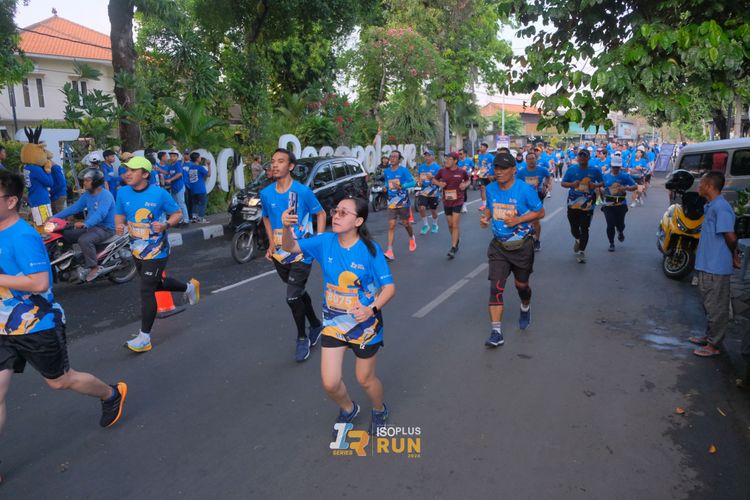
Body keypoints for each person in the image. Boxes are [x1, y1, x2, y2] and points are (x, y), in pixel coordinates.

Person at [0, 170, 127, 482]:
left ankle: (110, 394)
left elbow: (39, 283)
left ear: (11, 201)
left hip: (36, 324)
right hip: (3, 327)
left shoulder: (23, 236)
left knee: (60, 381)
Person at [280, 196, 395, 436]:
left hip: (365, 325)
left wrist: (370, 309)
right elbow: (291, 247)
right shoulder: (325, 241)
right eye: (336, 211)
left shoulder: (370, 251)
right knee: (330, 382)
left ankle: (379, 409)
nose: (337, 216)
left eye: (344, 212)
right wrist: (287, 228)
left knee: (365, 379)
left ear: (358, 221)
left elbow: (389, 288)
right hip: (334, 323)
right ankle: (348, 408)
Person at [115, 156, 200, 353]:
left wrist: (165, 225)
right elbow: (120, 213)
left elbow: (177, 213)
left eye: (133, 170)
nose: (127, 173)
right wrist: (119, 225)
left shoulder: (159, 194)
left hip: (157, 251)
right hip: (136, 249)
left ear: (145, 174)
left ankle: (144, 337)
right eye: (126, 170)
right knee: (155, 284)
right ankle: (189, 288)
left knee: (146, 290)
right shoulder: (122, 192)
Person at [261, 148, 325, 362]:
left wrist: (318, 241)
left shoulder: (302, 192)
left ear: (290, 166)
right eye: (273, 161)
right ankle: (315, 325)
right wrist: (271, 243)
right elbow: (266, 218)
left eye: (280, 161)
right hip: (280, 254)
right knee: (297, 291)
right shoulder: (266, 193)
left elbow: (321, 214)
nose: (275, 165)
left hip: (301, 251)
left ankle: (301, 337)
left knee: (292, 296)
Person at [480, 152, 544, 347]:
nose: (498, 172)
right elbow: (490, 207)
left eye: (503, 168)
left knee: (521, 286)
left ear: (513, 170)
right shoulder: (490, 188)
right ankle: (496, 332)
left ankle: (525, 306)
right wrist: (486, 217)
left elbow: (540, 212)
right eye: (496, 168)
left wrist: (519, 220)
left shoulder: (525, 189)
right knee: (495, 288)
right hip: (499, 246)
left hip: (522, 246)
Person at [688, 172, 741, 357]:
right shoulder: (711, 206)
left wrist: (734, 256)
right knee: (709, 304)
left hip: (716, 266)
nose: (699, 186)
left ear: (710, 186)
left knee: (717, 307)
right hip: (707, 264)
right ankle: (709, 337)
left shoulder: (721, 208)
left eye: (702, 183)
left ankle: (714, 345)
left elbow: (731, 237)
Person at [53, 168, 115, 281]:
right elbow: (74, 208)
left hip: (105, 228)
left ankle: (94, 267)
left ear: (96, 181)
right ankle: (68, 261)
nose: (84, 183)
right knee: (65, 235)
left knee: (84, 240)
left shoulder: (106, 195)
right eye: (84, 180)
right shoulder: (87, 195)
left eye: (87, 180)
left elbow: (100, 213)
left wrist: (86, 224)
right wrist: (54, 218)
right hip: (91, 226)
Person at [561, 149, 603, 263]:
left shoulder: (595, 170)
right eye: (581, 156)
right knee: (574, 228)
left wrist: (595, 185)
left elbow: (602, 182)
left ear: (589, 158)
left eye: (585, 156)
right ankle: (578, 239)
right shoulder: (571, 169)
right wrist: (572, 184)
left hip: (588, 203)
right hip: (573, 203)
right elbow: (563, 183)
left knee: (585, 227)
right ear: (578, 158)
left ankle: (581, 251)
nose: (583, 158)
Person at [434, 152, 470, 258]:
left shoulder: (461, 171)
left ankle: (454, 247)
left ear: (455, 161)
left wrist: (465, 185)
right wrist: (439, 184)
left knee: (455, 224)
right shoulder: (442, 171)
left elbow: (468, 180)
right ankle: (456, 238)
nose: (446, 161)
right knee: (450, 225)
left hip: (458, 200)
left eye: (449, 159)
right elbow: (434, 179)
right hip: (447, 201)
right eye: (446, 159)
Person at [383, 150, 416, 260]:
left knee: (406, 223)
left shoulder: (403, 170)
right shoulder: (386, 171)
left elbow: (413, 182)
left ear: (399, 159)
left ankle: (411, 237)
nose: (392, 158)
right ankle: (389, 251)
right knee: (391, 225)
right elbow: (387, 182)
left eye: (395, 157)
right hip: (391, 202)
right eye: (391, 156)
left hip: (403, 201)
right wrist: (385, 187)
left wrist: (402, 186)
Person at [515, 152, 551, 251]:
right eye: (529, 159)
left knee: (535, 220)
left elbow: (548, 176)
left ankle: (537, 240)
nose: (531, 160)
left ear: (536, 159)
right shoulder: (521, 172)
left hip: (537, 196)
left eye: (533, 158)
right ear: (526, 161)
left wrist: (545, 185)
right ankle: (525, 237)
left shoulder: (542, 170)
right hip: (525, 198)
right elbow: (516, 184)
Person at [600, 155, 636, 252]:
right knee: (610, 224)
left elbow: (634, 186)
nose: (615, 169)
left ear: (620, 167)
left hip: (620, 204)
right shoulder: (605, 176)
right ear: (611, 166)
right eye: (614, 167)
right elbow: (601, 186)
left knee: (620, 224)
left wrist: (626, 188)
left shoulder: (624, 176)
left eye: (617, 167)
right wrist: (602, 190)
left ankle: (620, 231)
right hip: (608, 204)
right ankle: (611, 243)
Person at [23, 152, 54, 230]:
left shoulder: (26, 167)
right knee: (47, 228)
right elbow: (50, 182)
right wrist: (48, 170)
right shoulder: (36, 169)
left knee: (39, 226)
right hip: (41, 202)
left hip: (34, 200)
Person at [416, 150, 441, 235]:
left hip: (433, 192)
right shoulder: (422, 166)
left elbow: (441, 179)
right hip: (423, 191)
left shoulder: (437, 167)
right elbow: (418, 176)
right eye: (426, 155)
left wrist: (432, 176)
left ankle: (435, 224)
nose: (427, 157)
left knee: (433, 210)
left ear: (433, 157)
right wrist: (419, 181)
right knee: (421, 208)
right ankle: (426, 225)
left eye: (429, 155)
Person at [164, 149, 189, 227]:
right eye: (171, 156)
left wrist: (170, 180)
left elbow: (179, 174)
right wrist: (159, 169)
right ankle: (180, 220)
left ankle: (186, 220)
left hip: (179, 187)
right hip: (174, 187)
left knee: (181, 204)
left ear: (177, 157)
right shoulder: (171, 165)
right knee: (176, 205)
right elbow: (167, 173)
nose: (172, 157)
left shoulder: (177, 164)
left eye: (174, 156)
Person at [186, 152, 210, 223]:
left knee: (195, 203)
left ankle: (194, 217)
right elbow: (209, 174)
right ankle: (200, 218)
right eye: (199, 157)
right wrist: (209, 165)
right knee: (203, 203)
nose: (200, 158)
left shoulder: (190, 168)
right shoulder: (200, 167)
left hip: (193, 189)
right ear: (197, 159)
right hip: (200, 189)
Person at [476, 143, 494, 211]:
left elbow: (493, 165)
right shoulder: (479, 156)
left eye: (482, 147)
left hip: (489, 175)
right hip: (481, 175)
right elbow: (478, 165)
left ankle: (491, 203)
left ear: (486, 148)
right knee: (482, 188)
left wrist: (491, 173)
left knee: (489, 189)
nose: (480, 148)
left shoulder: (490, 156)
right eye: (480, 147)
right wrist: (476, 172)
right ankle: (484, 204)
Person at [457, 149, 474, 213]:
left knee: (464, 191)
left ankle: (464, 206)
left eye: (461, 154)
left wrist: (471, 172)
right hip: (458, 178)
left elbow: (473, 168)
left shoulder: (469, 160)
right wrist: (461, 169)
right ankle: (458, 205)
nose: (459, 155)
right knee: (458, 192)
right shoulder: (457, 161)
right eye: (459, 154)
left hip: (466, 179)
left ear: (464, 154)